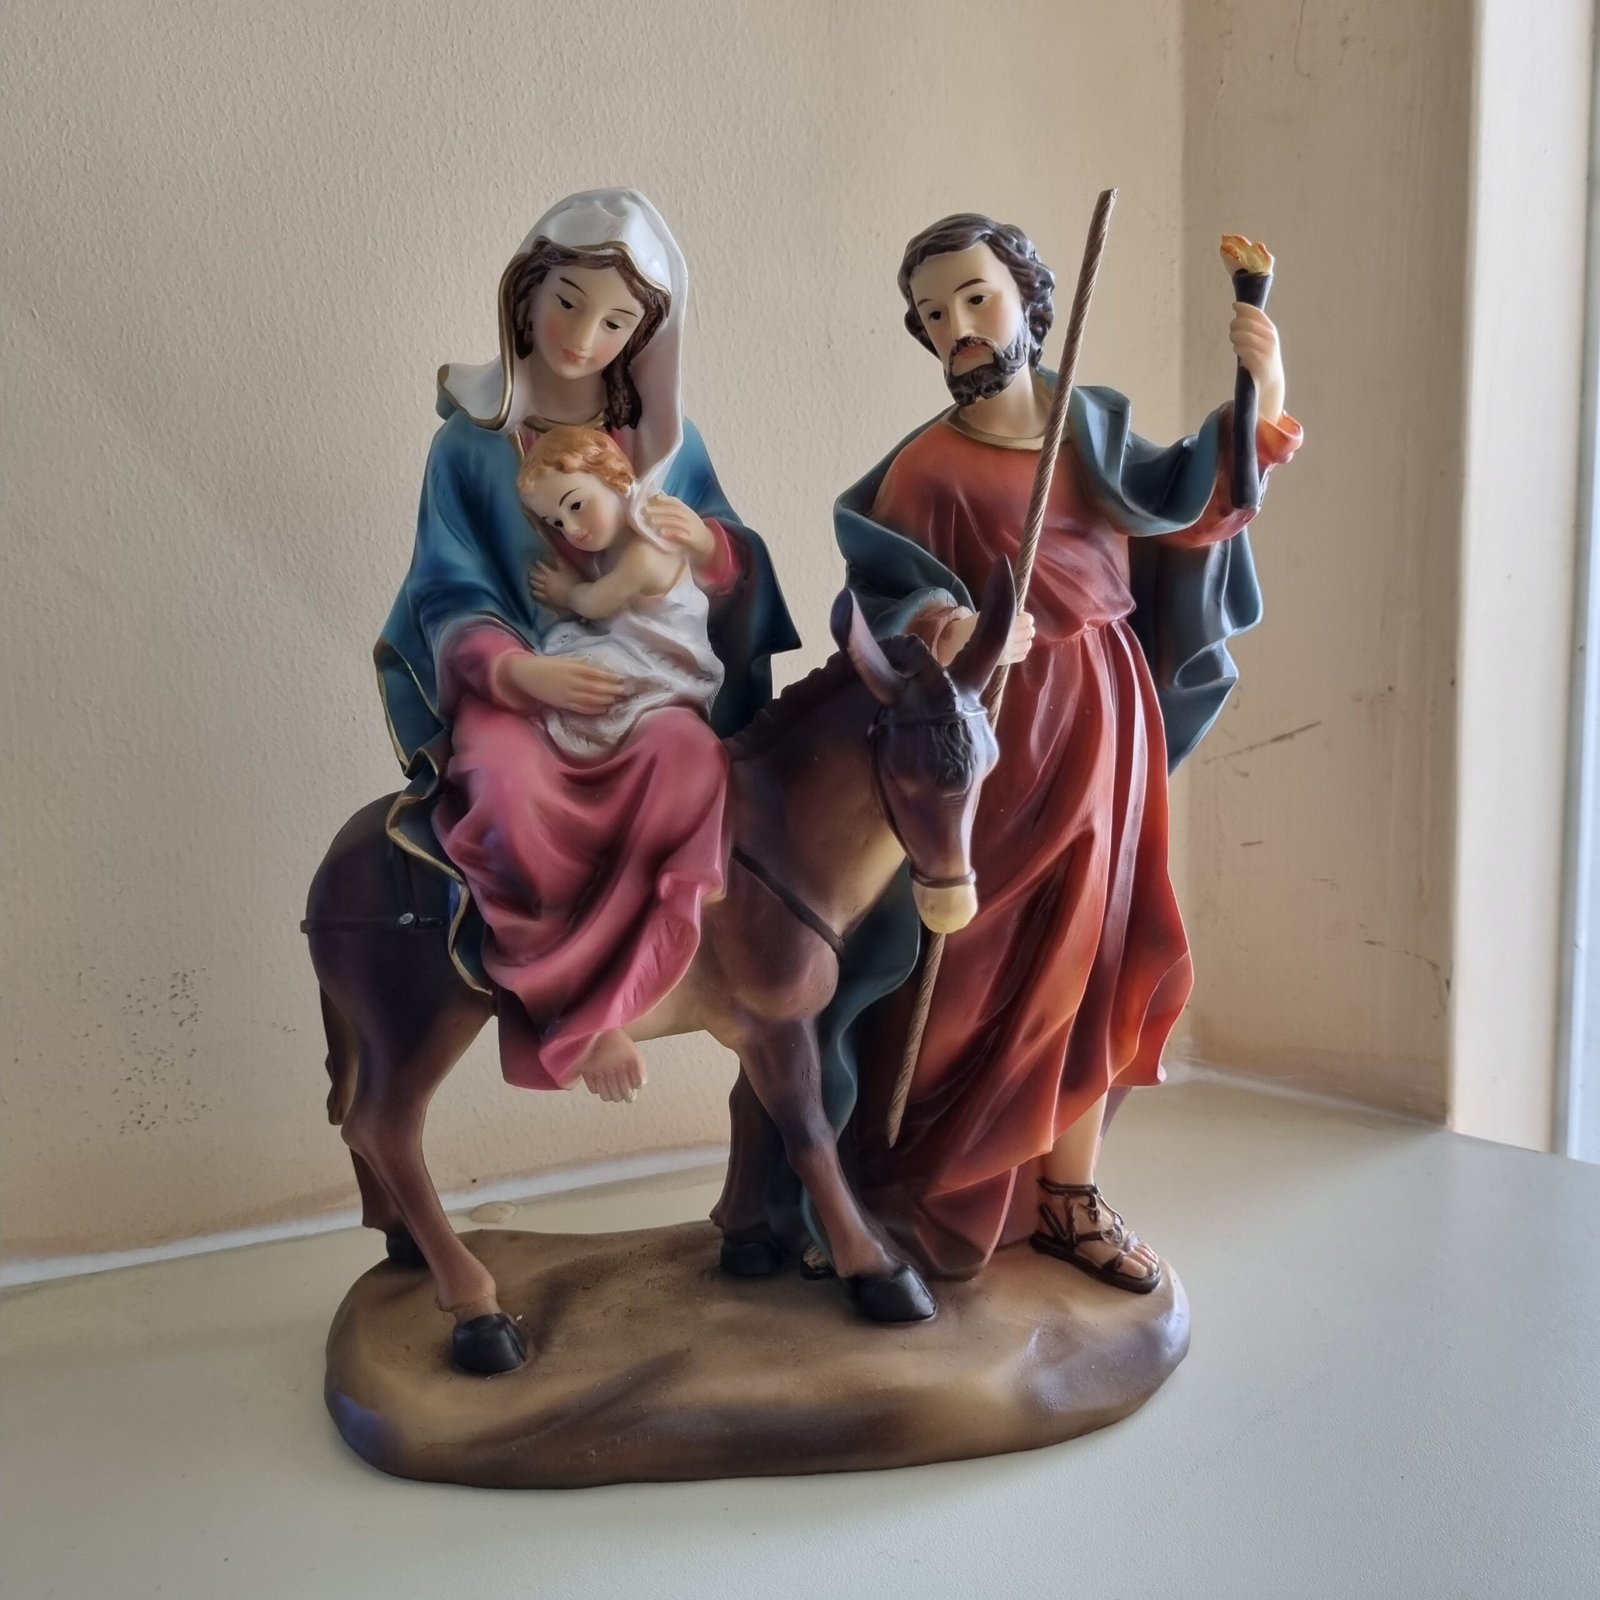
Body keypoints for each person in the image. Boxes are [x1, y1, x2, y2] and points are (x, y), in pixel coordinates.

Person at [809, 212, 1303, 1286]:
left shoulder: (1090, 427)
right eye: (934, 314)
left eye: (975, 298)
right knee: (973, 969)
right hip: (995, 741)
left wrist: (1258, 395)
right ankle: (918, 1188)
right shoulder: (927, 470)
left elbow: (1190, 506)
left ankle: (1067, 1194)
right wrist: (946, 623)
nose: (957, 328)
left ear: (1030, 304)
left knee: (1097, 954)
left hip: (1106, 720)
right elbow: (882, 593)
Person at [375, 189, 797, 1104]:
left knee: (690, 763)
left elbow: (730, 560)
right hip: (521, 693)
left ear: (644, 336)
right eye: (567, 301)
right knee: (502, 787)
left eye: (615, 322)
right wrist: (519, 671)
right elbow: (446, 588)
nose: (582, 335)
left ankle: (625, 994)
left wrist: (709, 548)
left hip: (642, 692)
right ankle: (572, 1008)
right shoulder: (469, 449)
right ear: (524, 294)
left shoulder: (663, 445)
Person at [519, 424, 724, 760]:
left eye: (576, 505)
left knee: (594, 675)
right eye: (556, 522)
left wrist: (567, 592)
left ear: (614, 479)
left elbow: (596, 603)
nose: (571, 529)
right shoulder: (614, 546)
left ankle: (590, 741)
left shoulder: (646, 551)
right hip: (631, 643)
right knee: (563, 657)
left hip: (664, 660)